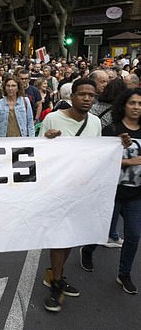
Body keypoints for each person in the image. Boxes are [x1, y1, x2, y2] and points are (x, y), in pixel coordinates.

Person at [40, 78, 102, 312]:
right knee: (61, 237)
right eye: (82, 94)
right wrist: (48, 141)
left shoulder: (95, 123)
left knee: (72, 238)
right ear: (71, 96)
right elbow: (37, 154)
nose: (87, 98)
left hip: (83, 191)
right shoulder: (52, 119)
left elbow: (97, 155)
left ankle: (55, 274)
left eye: (91, 95)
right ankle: (56, 282)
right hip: (57, 190)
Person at [79, 88, 141, 295]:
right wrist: (127, 161)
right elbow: (101, 161)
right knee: (101, 231)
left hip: (136, 195)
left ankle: (124, 274)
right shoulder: (112, 130)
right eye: (132, 103)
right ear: (124, 105)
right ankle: (87, 251)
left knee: (133, 235)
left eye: (140, 104)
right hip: (111, 192)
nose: (136, 107)